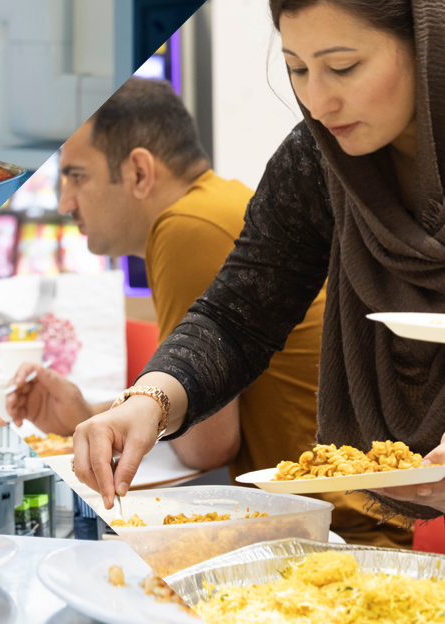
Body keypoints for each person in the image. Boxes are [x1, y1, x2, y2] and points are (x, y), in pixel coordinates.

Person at [73, 0, 445, 524]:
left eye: (343, 67)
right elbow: (237, 316)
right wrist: (148, 402)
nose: (317, 101)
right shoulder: (317, 159)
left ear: (428, 44)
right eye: (297, 69)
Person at [5, 78, 410, 548]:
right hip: (331, 515)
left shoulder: (186, 229)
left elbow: (207, 444)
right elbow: (194, 383)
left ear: (139, 171)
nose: (64, 202)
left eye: (76, 176)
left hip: (331, 531)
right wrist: (92, 413)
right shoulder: (214, 203)